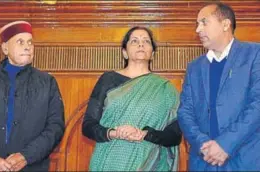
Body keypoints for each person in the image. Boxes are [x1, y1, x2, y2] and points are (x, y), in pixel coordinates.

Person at [82, 26, 182, 171]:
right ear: (125, 52)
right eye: (134, 41)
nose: (141, 44)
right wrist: (114, 132)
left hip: (149, 164)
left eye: (146, 41)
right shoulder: (108, 80)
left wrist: (145, 134)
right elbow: (88, 125)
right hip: (108, 162)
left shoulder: (166, 89)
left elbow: (174, 136)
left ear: (152, 53)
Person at [178, 2, 260, 171]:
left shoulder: (254, 54)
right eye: (197, 24)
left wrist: (225, 144)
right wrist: (202, 144)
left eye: (204, 22)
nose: (198, 30)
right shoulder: (194, 67)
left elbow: (257, 104)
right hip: (203, 161)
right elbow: (185, 111)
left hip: (245, 159)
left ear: (225, 24)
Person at [0, 21, 65, 171]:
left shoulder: (47, 82)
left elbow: (55, 127)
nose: (27, 47)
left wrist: (26, 156)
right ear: (5, 48)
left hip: (32, 166)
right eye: (20, 42)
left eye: (30, 42)